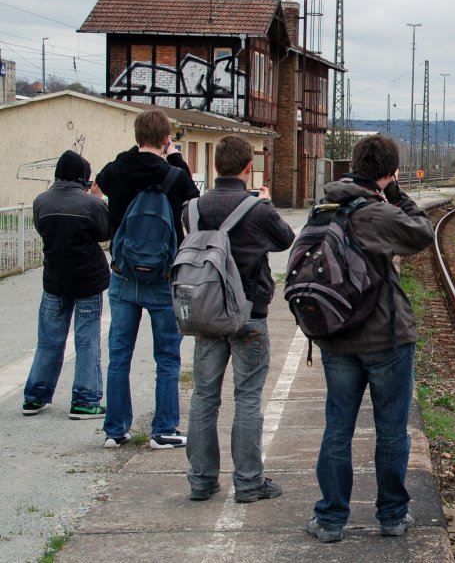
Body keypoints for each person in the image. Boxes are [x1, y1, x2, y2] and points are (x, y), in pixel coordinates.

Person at [305, 135, 434, 543]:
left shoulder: (323, 207)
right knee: (392, 431)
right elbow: (422, 232)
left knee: (337, 429)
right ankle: (392, 516)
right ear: (388, 171)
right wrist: (395, 192)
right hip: (386, 339)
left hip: (336, 336)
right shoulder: (377, 213)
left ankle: (330, 520)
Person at [184, 134, 295, 503]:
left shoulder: (193, 209)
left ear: (216, 166)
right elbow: (284, 239)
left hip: (207, 313)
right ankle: (248, 483)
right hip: (249, 314)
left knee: (203, 397)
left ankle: (201, 480)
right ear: (250, 167)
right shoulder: (257, 209)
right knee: (247, 398)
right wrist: (264, 202)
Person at [96, 110, 200, 449]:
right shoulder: (173, 175)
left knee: (119, 355)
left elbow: (100, 187)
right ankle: (165, 429)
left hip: (123, 274)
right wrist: (177, 158)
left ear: (137, 135)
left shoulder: (116, 170)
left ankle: (115, 430)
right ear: (166, 138)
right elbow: (193, 202)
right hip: (162, 275)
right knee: (167, 356)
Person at [23, 151, 111, 419]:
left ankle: (35, 397)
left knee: (49, 340)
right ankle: (85, 400)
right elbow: (106, 233)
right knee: (87, 340)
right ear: (83, 178)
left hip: (54, 280)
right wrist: (96, 199)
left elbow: (42, 229)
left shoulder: (41, 202)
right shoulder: (91, 206)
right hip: (87, 280)